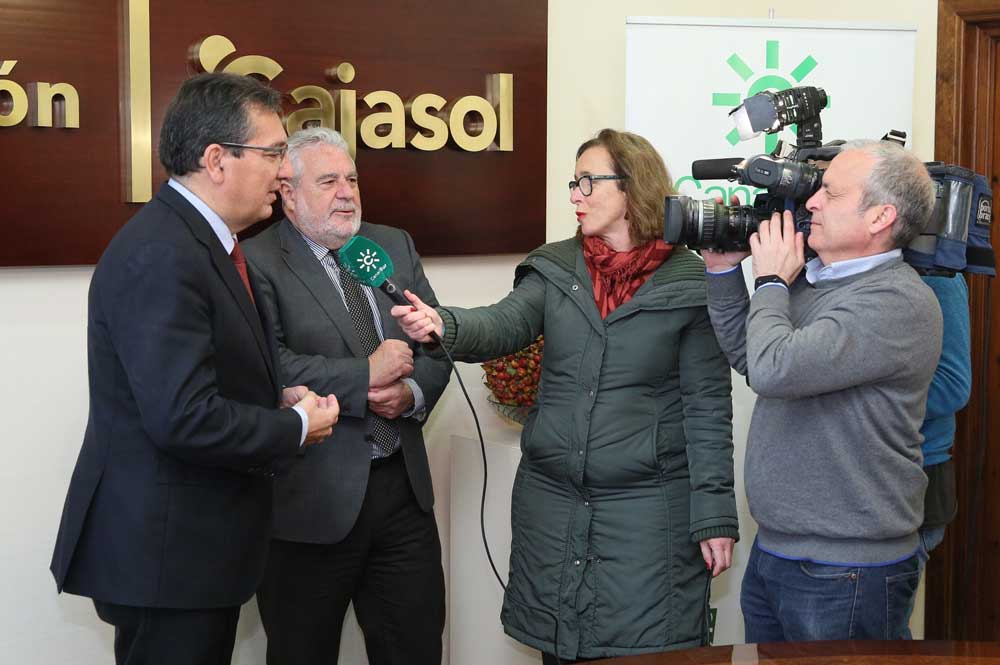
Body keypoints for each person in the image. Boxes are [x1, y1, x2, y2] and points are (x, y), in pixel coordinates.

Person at [393, 128, 738, 663]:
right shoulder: (556, 268)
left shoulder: (690, 281)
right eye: (572, 183)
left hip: (650, 519)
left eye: (586, 182)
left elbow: (708, 408)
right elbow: (503, 323)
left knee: (646, 651)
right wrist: (445, 323)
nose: (574, 195)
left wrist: (715, 515)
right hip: (553, 509)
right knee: (562, 649)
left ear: (632, 187)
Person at [49, 73, 340, 665]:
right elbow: (182, 417)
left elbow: (201, 379)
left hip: (193, 553)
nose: (285, 171)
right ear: (217, 160)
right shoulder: (163, 253)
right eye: (274, 153)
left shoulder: (207, 244)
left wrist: (274, 400)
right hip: (167, 559)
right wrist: (296, 428)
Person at [702, 139, 944, 642]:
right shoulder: (813, 282)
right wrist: (725, 271)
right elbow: (754, 359)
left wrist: (769, 280)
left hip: (847, 570)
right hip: (777, 552)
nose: (810, 203)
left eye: (829, 194)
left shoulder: (897, 302)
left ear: (880, 217)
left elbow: (774, 368)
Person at [242, 127, 451, 665]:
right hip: (309, 503)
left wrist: (408, 394)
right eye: (329, 181)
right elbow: (270, 364)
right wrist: (366, 375)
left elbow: (432, 342)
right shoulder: (256, 260)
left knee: (416, 649)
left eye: (353, 180)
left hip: (402, 496)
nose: (347, 193)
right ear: (287, 192)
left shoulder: (392, 244)